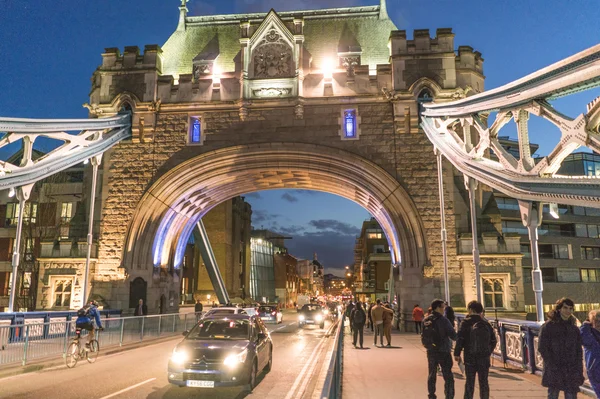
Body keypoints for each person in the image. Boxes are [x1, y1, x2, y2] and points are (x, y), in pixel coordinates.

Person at [538, 297, 584, 399]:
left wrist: (579, 369)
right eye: (565, 308)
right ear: (559, 309)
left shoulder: (574, 328)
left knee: (571, 395)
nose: (568, 311)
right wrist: (551, 363)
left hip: (571, 368)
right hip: (555, 367)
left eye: (571, 309)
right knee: (553, 394)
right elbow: (542, 347)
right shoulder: (548, 326)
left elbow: (578, 351)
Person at [454, 300, 496, 399]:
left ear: (471, 310)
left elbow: (460, 339)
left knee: (470, 382)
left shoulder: (465, 323)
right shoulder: (486, 324)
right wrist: (487, 352)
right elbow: (493, 340)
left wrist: (457, 353)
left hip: (470, 356)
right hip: (484, 358)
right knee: (484, 382)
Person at [422, 299, 456, 399]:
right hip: (444, 350)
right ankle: (449, 395)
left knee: (432, 373)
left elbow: (423, 335)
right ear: (437, 308)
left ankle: (431, 394)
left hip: (431, 350)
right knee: (448, 375)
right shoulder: (444, 320)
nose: (443, 309)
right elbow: (453, 335)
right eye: (442, 307)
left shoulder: (426, 320)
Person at [581, 309, 600, 398]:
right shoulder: (589, 334)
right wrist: (585, 325)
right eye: (596, 321)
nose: (598, 323)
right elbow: (584, 339)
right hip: (595, 370)